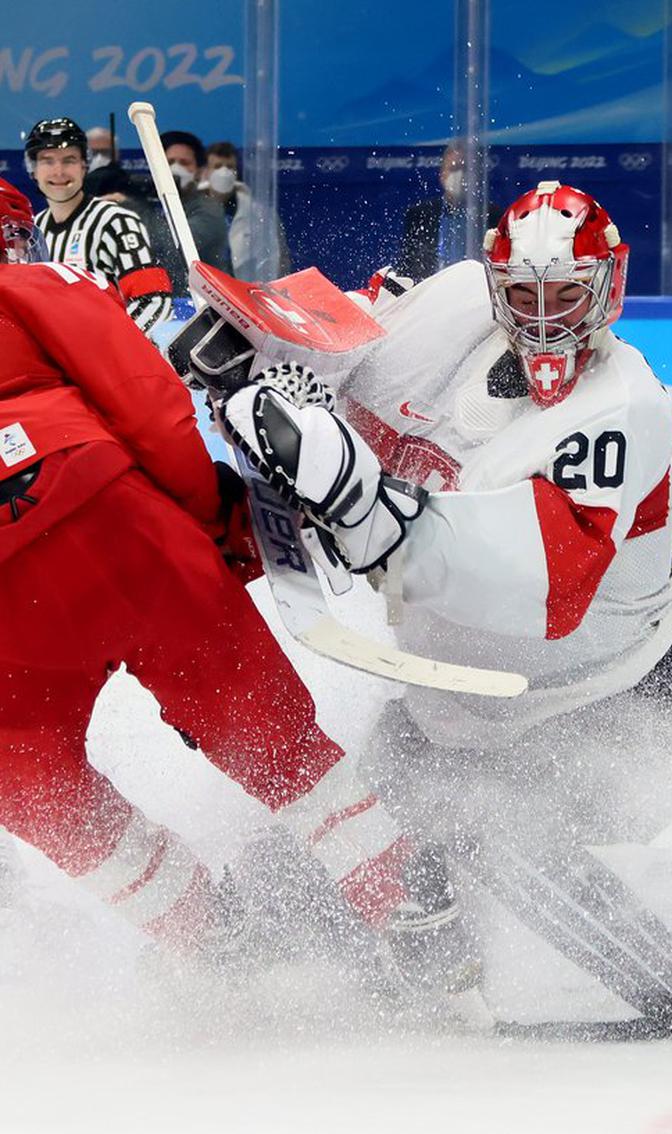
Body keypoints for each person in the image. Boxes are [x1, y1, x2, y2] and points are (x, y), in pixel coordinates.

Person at [0, 177, 477, 1002]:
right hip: (100, 518)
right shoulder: (33, 285)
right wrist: (211, 521)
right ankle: (406, 903)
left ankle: (211, 937)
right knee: (259, 729)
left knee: (27, 776)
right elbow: (146, 406)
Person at [221, 181, 672, 883]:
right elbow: (343, 333)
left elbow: (545, 589)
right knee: (306, 890)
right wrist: (261, 342)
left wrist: (363, 513)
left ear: (608, 288)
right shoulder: (453, 307)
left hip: (600, 703)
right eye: (524, 295)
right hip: (449, 704)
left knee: (489, 905)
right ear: (495, 287)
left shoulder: (624, 410)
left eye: (566, 296)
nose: (545, 321)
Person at [24, 117, 173, 337]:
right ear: (33, 169)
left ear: (85, 165)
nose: (58, 171)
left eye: (69, 160)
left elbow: (153, 300)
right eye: (47, 161)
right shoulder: (33, 230)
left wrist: (103, 347)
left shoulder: (116, 222)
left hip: (111, 364)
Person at [396, 140, 503, 282]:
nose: (459, 174)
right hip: (431, 293)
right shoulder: (419, 215)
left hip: (476, 292)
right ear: (442, 174)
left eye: (465, 169)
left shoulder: (493, 216)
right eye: (453, 168)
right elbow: (407, 268)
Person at [203, 141, 292, 282]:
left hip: (246, 293)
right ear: (206, 172)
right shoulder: (187, 211)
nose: (224, 172)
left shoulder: (262, 214)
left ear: (236, 172)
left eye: (230, 167)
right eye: (218, 166)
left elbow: (279, 258)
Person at [160, 130, 232, 291]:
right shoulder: (154, 205)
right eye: (169, 162)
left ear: (199, 171)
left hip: (201, 304)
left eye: (184, 162)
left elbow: (172, 247)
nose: (175, 168)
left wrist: (135, 211)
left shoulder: (210, 208)